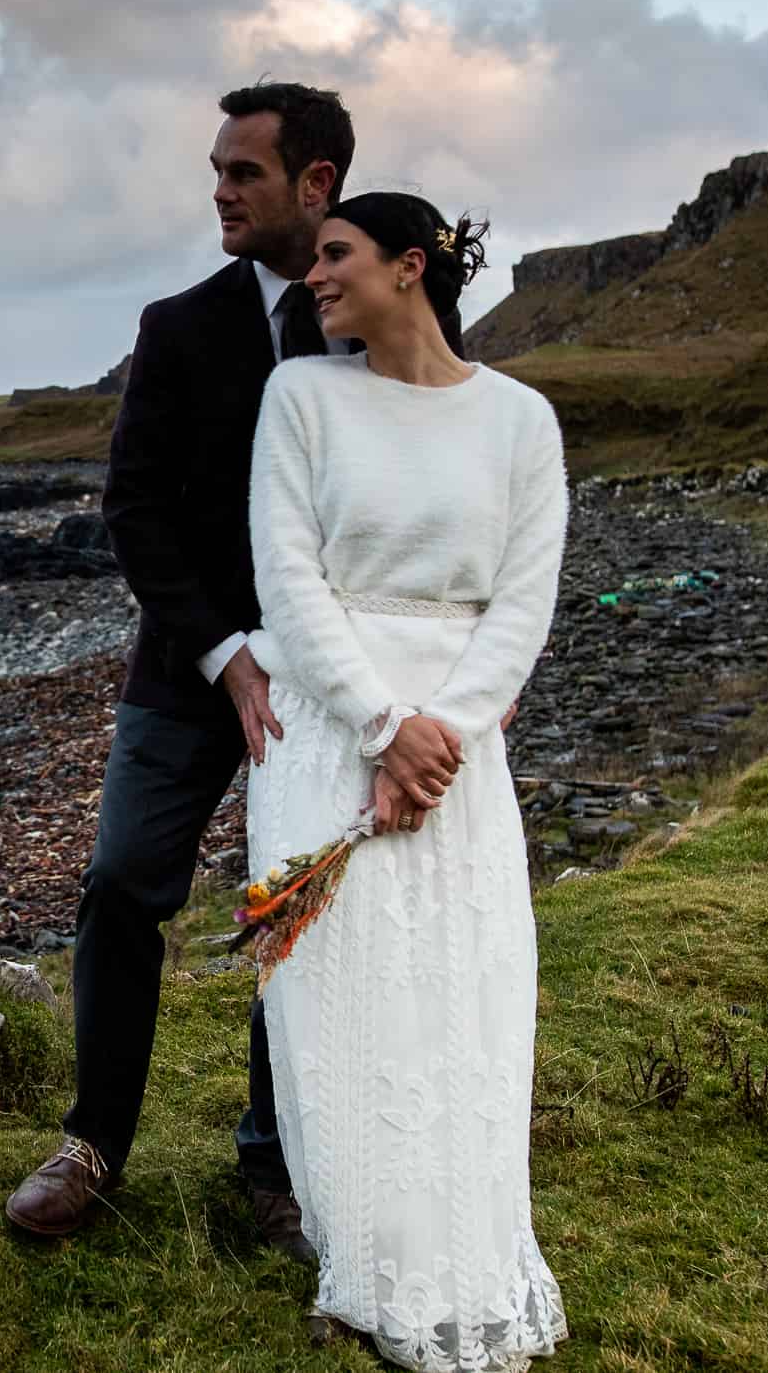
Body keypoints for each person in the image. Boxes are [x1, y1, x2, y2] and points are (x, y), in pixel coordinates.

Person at [4, 82, 462, 1255]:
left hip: (335, 685)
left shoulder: (377, 324)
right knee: (120, 884)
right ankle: (93, 1143)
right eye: (214, 169)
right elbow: (135, 507)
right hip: (187, 671)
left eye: (241, 172)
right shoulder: (176, 325)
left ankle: (277, 1166)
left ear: (315, 185)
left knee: (291, 909)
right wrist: (225, 651)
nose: (218, 190)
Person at [243, 191, 571, 1368]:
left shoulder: (522, 419)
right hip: (333, 731)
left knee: (465, 991)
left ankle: (468, 1254)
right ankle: (371, 1263)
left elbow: (523, 600)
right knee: (345, 1002)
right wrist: (383, 726)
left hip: (458, 753)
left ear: (408, 266)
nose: (313, 277)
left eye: (335, 256)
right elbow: (287, 581)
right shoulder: (301, 397)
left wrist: (444, 737)